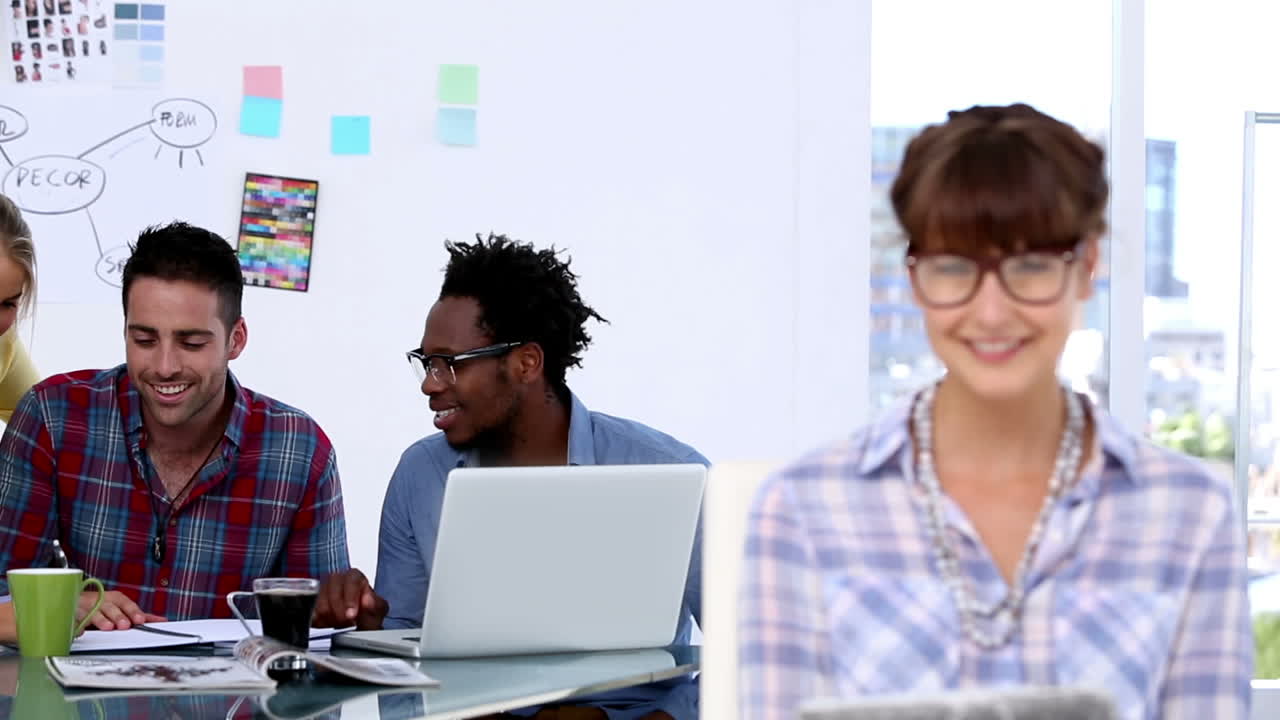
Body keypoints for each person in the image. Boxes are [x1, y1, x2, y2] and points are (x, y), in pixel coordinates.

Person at [738, 104, 1252, 720]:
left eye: (1030, 265)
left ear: (1087, 267)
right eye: (953, 268)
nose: (990, 313)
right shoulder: (802, 510)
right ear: (913, 274)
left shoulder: (1190, 513)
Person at [314, 233, 706, 720]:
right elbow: (402, 678)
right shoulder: (421, 476)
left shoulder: (665, 472)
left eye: (448, 365)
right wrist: (371, 632)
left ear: (526, 363)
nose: (430, 386)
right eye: (426, 364)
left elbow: (752, 652)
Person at [0, 221, 350, 635]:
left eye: (191, 343)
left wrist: (348, 613)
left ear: (236, 340)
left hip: (237, 699)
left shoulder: (301, 453)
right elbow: (4, 592)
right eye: (145, 340)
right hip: (75, 697)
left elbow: (316, 633)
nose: (165, 366)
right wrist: (61, 607)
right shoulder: (53, 418)